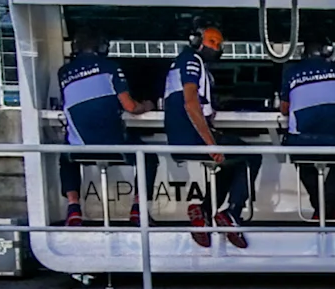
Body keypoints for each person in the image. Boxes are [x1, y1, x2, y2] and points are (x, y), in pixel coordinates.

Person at [160, 14, 248, 251]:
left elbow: (199, 104)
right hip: (191, 137)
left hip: (181, 137)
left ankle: (205, 211)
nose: (216, 48)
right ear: (197, 40)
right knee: (249, 155)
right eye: (212, 42)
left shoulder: (187, 62)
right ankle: (231, 213)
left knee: (234, 159)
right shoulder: (192, 61)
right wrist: (211, 143)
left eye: (219, 45)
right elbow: (190, 103)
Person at [52, 25, 142, 226]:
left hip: (80, 149)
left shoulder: (63, 72)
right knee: (149, 156)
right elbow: (129, 106)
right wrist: (148, 104)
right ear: (102, 47)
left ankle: (74, 208)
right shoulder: (110, 67)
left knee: (66, 157)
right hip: (114, 147)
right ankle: (138, 209)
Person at [279, 30, 335, 224]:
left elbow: (284, 109)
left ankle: (321, 208)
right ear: (328, 51)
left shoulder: (291, 72)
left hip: (300, 142)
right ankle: (326, 208)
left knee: (303, 159)